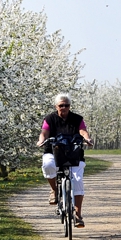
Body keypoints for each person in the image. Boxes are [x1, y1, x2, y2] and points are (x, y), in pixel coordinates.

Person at [37, 93, 93, 227]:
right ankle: (54, 190)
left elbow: (82, 131)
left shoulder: (77, 118)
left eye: (66, 105)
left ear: (70, 106)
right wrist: (41, 141)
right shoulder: (50, 119)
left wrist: (87, 138)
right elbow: (44, 132)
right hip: (53, 151)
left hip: (73, 153)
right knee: (48, 164)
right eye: (61, 105)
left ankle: (78, 214)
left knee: (78, 180)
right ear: (56, 106)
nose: (64, 108)